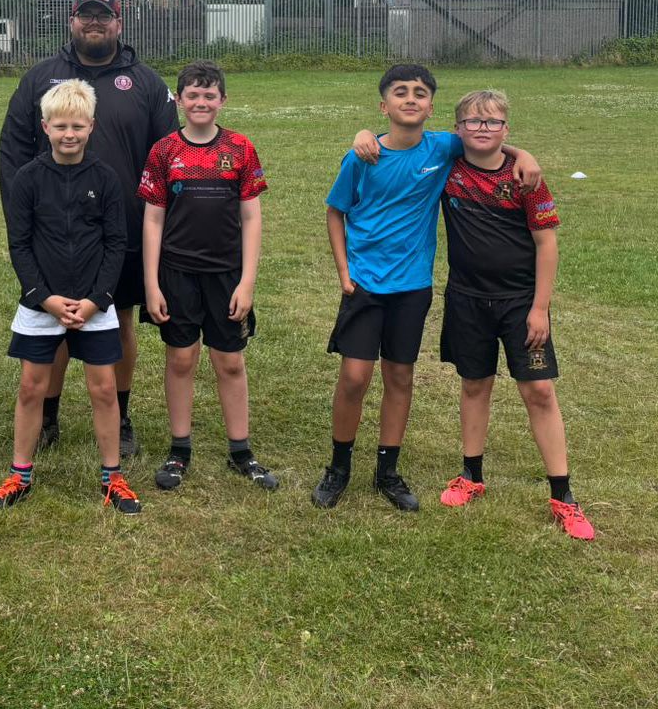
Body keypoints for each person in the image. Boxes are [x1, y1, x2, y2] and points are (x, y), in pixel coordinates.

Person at [312, 63, 540, 512]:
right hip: (364, 285)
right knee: (355, 377)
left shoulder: (443, 146)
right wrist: (344, 272)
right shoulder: (362, 156)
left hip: (413, 286)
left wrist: (524, 154)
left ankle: (388, 470)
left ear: (431, 107)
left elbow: (486, 138)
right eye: (400, 92)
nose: (411, 98)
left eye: (420, 92)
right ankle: (338, 467)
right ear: (385, 106)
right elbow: (335, 212)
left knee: (400, 375)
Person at [0, 0, 177, 457]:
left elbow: (167, 155)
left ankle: (120, 417)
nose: (93, 24)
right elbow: (13, 149)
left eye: (103, 17)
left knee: (118, 318)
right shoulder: (42, 77)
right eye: (85, 16)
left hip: (122, 232)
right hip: (52, 231)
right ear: (71, 22)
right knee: (54, 317)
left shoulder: (145, 82)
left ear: (119, 23)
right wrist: (23, 215)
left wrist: (156, 219)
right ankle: (49, 416)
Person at [436, 89, 594, 539]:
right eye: (472, 121)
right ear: (457, 128)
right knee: (474, 384)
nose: (482, 129)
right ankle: (471, 476)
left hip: (521, 303)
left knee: (539, 391)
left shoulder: (526, 178)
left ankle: (564, 496)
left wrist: (540, 308)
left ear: (506, 129)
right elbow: (409, 141)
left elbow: (547, 242)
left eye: (492, 122)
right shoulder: (447, 169)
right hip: (466, 299)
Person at [0, 79, 141, 514]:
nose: (68, 134)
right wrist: (44, 298)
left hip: (95, 305)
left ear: (91, 126)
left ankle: (112, 476)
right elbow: (19, 245)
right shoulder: (28, 179)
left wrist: (96, 300)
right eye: (60, 126)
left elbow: (116, 245)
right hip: (42, 305)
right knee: (31, 387)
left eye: (77, 125)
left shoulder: (107, 179)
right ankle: (20, 472)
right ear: (45, 127)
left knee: (104, 388)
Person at [139, 59, 278, 493]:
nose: (201, 102)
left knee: (230, 362)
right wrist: (151, 283)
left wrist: (247, 281)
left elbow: (251, 218)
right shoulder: (164, 151)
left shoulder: (239, 148)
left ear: (222, 100)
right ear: (179, 101)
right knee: (181, 359)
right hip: (177, 272)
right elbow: (153, 221)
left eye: (209, 95)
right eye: (192, 95)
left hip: (226, 274)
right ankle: (180, 450)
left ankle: (242, 450)